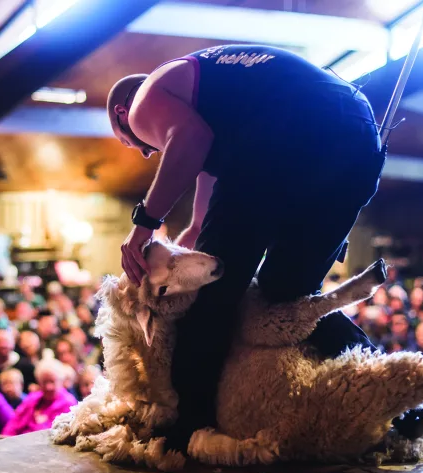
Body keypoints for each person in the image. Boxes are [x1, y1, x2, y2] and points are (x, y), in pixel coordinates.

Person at [109, 45, 394, 450]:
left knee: (213, 297)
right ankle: (395, 393)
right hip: (356, 134)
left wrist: (143, 226)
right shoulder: (217, 94)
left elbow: (188, 139)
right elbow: (203, 196)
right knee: (286, 297)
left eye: (130, 142)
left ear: (123, 114)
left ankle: (188, 428)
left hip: (287, 133)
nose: (144, 151)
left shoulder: (145, 98)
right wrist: (186, 240)